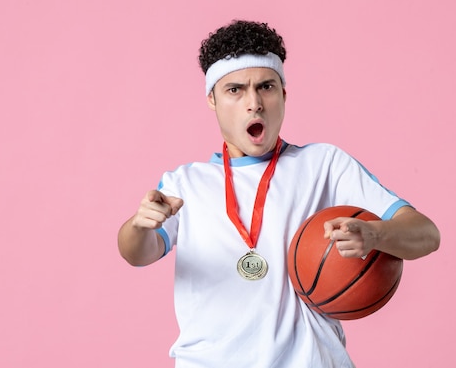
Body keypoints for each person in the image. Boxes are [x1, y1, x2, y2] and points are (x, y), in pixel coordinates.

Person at [117, 20, 440, 368]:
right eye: (235, 90)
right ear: (212, 99)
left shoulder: (324, 165)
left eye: (266, 87)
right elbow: (137, 253)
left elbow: (426, 234)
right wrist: (140, 226)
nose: (254, 103)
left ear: (284, 93)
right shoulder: (186, 183)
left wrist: (375, 234)